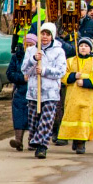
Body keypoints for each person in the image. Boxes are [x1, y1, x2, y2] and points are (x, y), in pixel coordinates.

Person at [21, 22, 67, 159]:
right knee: (34, 120)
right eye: (43, 33)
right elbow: (24, 70)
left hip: (50, 92)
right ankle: (35, 140)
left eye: (48, 34)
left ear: (52, 36)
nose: (45, 37)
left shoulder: (58, 51)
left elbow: (61, 71)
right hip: (34, 92)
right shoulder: (31, 50)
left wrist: (45, 71)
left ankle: (41, 146)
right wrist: (34, 59)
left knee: (47, 120)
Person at [58, 37, 93, 154]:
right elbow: (63, 76)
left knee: (84, 119)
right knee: (73, 118)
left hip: (87, 97)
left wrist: (85, 82)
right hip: (72, 96)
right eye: (81, 46)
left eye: (86, 46)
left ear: (90, 49)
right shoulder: (70, 61)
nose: (83, 48)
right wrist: (73, 76)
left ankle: (81, 143)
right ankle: (75, 138)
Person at [7, 33, 37, 151]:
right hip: (21, 90)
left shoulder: (38, 56)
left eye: (31, 44)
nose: (28, 47)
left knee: (33, 115)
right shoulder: (17, 57)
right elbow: (10, 73)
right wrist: (21, 78)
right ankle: (18, 140)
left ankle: (33, 140)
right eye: (26, 44)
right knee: (19, 113)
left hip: (34, 90)